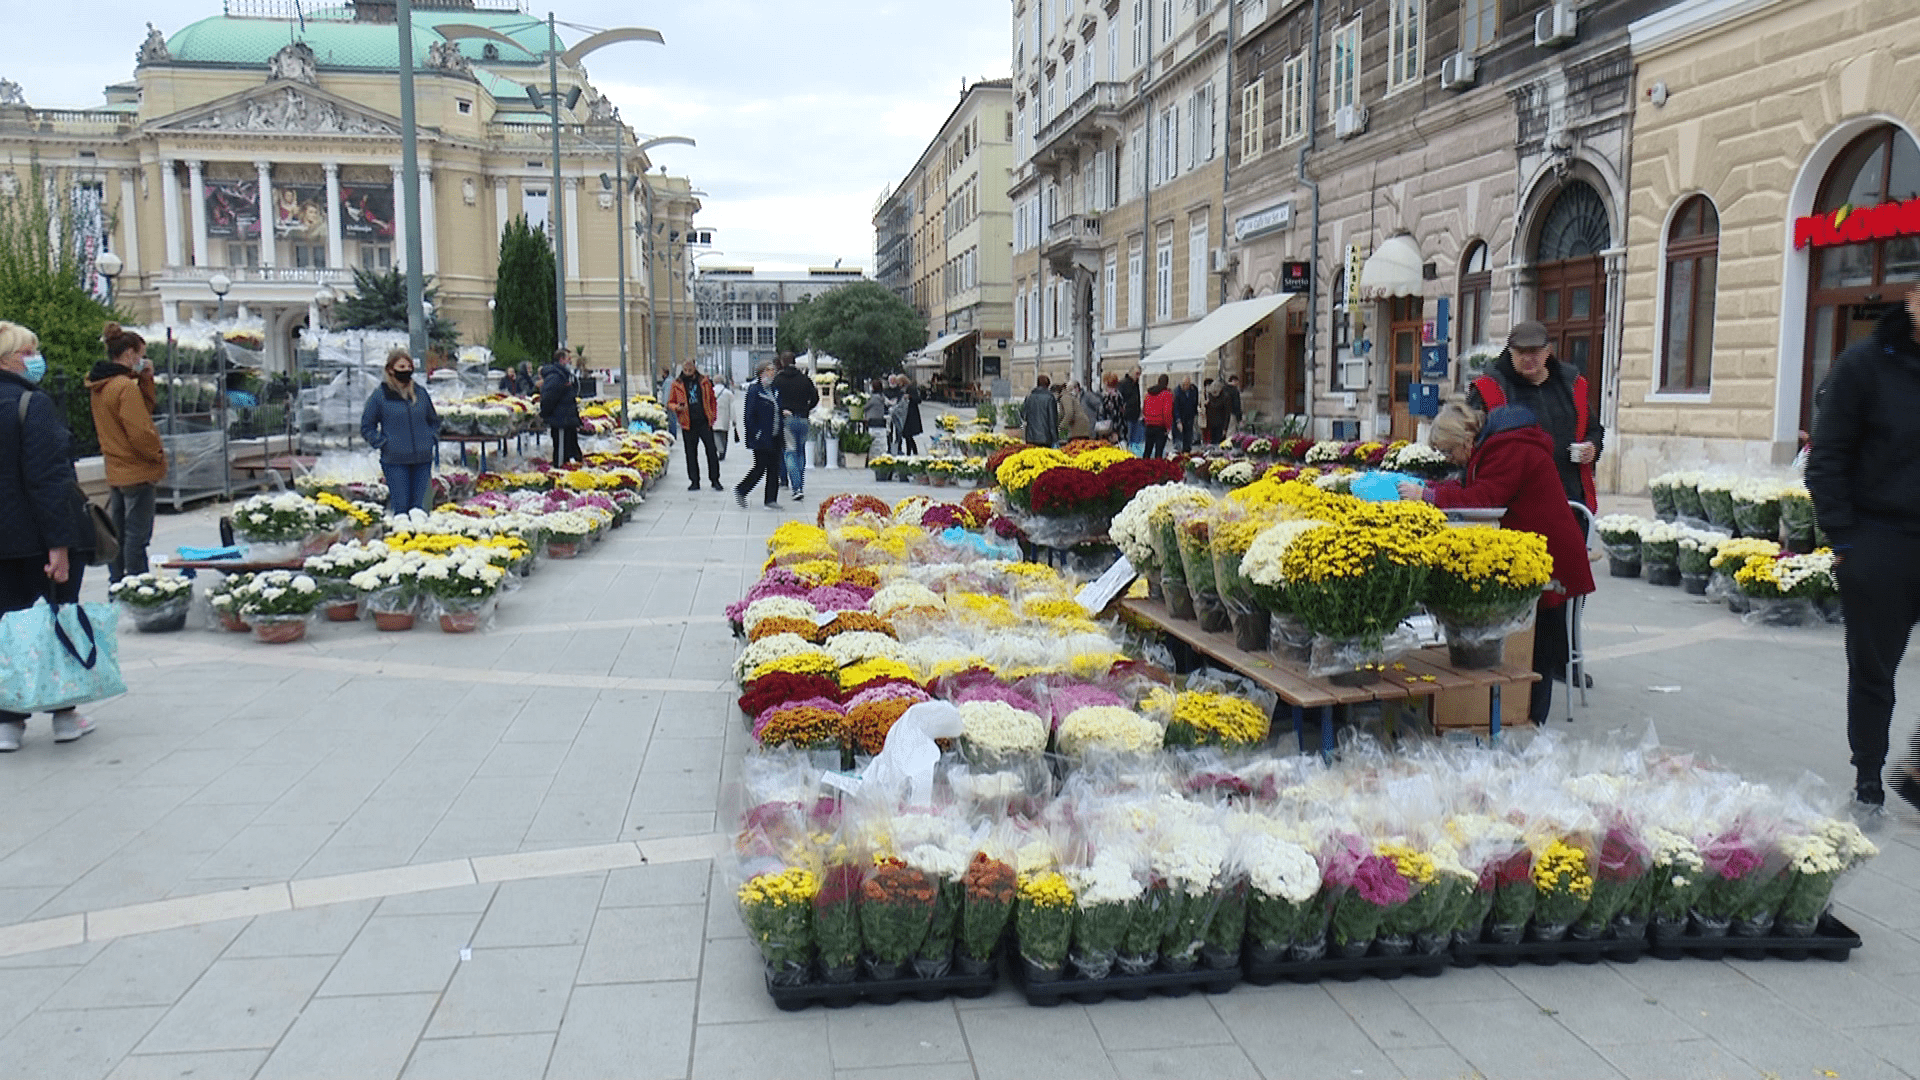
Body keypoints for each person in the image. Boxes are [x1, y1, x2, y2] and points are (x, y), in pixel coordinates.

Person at [1401, 402, 1596, 724]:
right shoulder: (1492, 447)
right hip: (1535, 553)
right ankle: (1525, 717)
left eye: (1449, 452)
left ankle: (1534, 722)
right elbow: (1471, 486)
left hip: (1550, 558)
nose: (1449, 460)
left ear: (1466, 440)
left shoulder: (1508, 449)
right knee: (1537, 642)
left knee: (1540, 647)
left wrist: (1428, 497)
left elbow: (1484, 498)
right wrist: (1432, 489)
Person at [1807, 283, 1920, 813]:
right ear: (1913, 299)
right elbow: (1827, 457)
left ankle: (1914, 772)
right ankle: (1868, 778)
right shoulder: (1864, 366)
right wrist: (1845, 539)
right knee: (1875, 670)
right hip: (1880, 539)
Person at [0, 321, 98, 750]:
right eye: (27, 352)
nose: (34, 360)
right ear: (7, 359)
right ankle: (64, 714)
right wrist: (59, 545)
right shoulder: (31, 403)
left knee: (6, 630)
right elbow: (48, 479)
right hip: (37, 540)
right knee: (57, 619)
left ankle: (8, 721)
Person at [1467, 320, 1602, 510]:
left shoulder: (1571, 385)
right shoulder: (1489, 388)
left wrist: (1592, 447)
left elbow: (1593, 430)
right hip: (1515, 499)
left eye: (1534, 351)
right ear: (1510, 352)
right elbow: (1469, 440)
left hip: (1570, 496)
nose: (1527, 358)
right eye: (1521, 352)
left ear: (1548, 351)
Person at [87, 323, 166, 582]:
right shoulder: (124, 387)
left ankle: (117, 581)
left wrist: (145, 379)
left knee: (118, 532)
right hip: (137, 469)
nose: (144, 360)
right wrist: (156, 455)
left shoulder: (101, 385)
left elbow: (142, 410)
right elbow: (140, 429)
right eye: (142, 355)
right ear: (130, 354)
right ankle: (136, 582)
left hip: (116, 468)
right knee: (137, 535)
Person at [360, 347, 440, 514]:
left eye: (409, 367)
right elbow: (367, 426)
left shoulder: (420, 393)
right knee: (401, 508)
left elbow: (433, 420)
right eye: (402, 367)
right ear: (391, 369)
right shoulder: (381, 396)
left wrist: (431, 438)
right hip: (395, 461)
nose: (406, 370)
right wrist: (383, 443)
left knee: (420, 510)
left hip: (422, 459)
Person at [734, 362, 785, 510]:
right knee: (760, 467)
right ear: (761, 372)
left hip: (775, 435)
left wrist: (783, 413)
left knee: (774, 468)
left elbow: (777, 408)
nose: (772, 373)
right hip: (762, 436)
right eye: (769, 370)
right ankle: (741, 489)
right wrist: (755, 433)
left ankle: (771, 499)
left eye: (773, 370)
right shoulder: (755, 390)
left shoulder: (775, 390)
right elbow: (749, 415)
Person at [666, 360, 723, 491]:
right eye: (685, 370)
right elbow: (670, 402)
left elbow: (712, 400)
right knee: (691, 453)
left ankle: (715, 479)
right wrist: (677, 407)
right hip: (688, 423)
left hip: (704, 421)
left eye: (690, 370)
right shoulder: (677, 384)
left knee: (711, 451)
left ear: (694, 368)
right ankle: (694, 481)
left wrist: (712, 415)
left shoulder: (704, 381)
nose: (687, 372)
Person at [770, 353, 818, 501]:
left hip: (787, 420)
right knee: (800, 453)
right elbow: (815, 397)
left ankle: (796, 487)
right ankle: (799, 485)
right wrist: (806, 408)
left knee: (790, 453)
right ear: (794, 361)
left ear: (782, 362)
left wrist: (780, 410)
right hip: (803, 418)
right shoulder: (804, 379)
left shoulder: (778, 380)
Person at [540, 348, 582, 465]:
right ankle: (559, 471)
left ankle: (566, 468)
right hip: (561, 420)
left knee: (569, 451)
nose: (570, 361)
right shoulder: (556, 376)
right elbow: (549, 398)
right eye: (568, 358)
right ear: (561, 360)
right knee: (561, 453)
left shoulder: (564, 375)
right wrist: (545, 414)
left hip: (566, 419)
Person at [1021, 375, 1060, 447]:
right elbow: (1052, 420)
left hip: (1031, 437)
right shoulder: (1050, 398)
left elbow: (1024, 415)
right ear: (1048, 385)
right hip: (1045, 438)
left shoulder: (1029, 397)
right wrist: (1055, 439)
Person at [1141, 374, 1174, 459]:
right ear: (1167, 383)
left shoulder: (1148, 394)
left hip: (1149, 425)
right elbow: (1167, 412)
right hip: (1160, 426)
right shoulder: (1167, 394)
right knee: (1159, 452)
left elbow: (1144, 409)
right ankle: (1157, 467)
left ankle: (1143, 466)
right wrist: (1168, 427)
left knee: (1147, 450)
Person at [1172, 375, 1200, 452]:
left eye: (1187, 384)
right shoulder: (1177, 392)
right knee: (1179, 441)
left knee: (1188, 439)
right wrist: (1178, 421)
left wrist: (1195, 413)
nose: (1186, 386)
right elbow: (1175, 408)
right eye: (1184, 384)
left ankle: (1187, 451)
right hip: (1180, 418)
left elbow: (1195, 402)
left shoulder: (1193, 390)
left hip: (1189, 418)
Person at [900, 375, 925, 455]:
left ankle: (910, 451)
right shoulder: (903, 389)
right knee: (907, 434)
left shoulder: (911, 388)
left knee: (908, 433)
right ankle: (913, 450)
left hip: (911, 413)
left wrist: (910, 397)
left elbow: (918, 400)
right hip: (906, 412)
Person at [1119, 367, 1143, 449]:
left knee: (1135, 441)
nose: (1138, 376)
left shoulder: (1136, 384)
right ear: (1131, 373)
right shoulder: (1123, 383)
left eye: (1139, 374)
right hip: (1127, 416)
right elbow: (1120, 398)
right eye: (1137, 374)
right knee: (1128, 438)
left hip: (1135, 415)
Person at [1202, 377, 1231, 445]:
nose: (1214, 393)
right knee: (1213, 442)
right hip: (1211, 423)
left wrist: (1225, 428)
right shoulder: (1210, 396)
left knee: (1220, 442)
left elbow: (1227, 413)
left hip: (1221, 423)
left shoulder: (1225, 397)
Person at [712, 378, 735, 461]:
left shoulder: (711, 391)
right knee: (724, 436)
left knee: (715, 434)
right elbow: (732, 408)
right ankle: (723, 451)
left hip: (714, 417)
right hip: (725, 417)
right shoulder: (728, 393)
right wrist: (734, 420)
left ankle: (720, 450)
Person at [1099, 373, 1124, 441]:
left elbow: (1116, 415)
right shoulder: (1107, 395)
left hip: (1111, 429)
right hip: (1106, 428)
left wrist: (1114, 431)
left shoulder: (1114, 397)